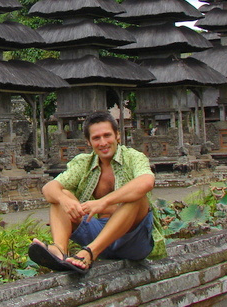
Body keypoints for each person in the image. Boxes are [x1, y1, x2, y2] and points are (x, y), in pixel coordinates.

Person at [28, 110, 166, 274]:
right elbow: (48, 188)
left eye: (107, 135)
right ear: (88, 142)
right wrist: (65, 200)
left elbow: (146, 182)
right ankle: (59, 249)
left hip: (132, 240)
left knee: (137, 197)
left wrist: (103, 202)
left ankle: (90, 253)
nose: (103, 142)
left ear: (117, 136)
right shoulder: (83, 163)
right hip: (94, 232)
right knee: (61, 194)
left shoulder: (133, 157)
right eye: (96, 138)